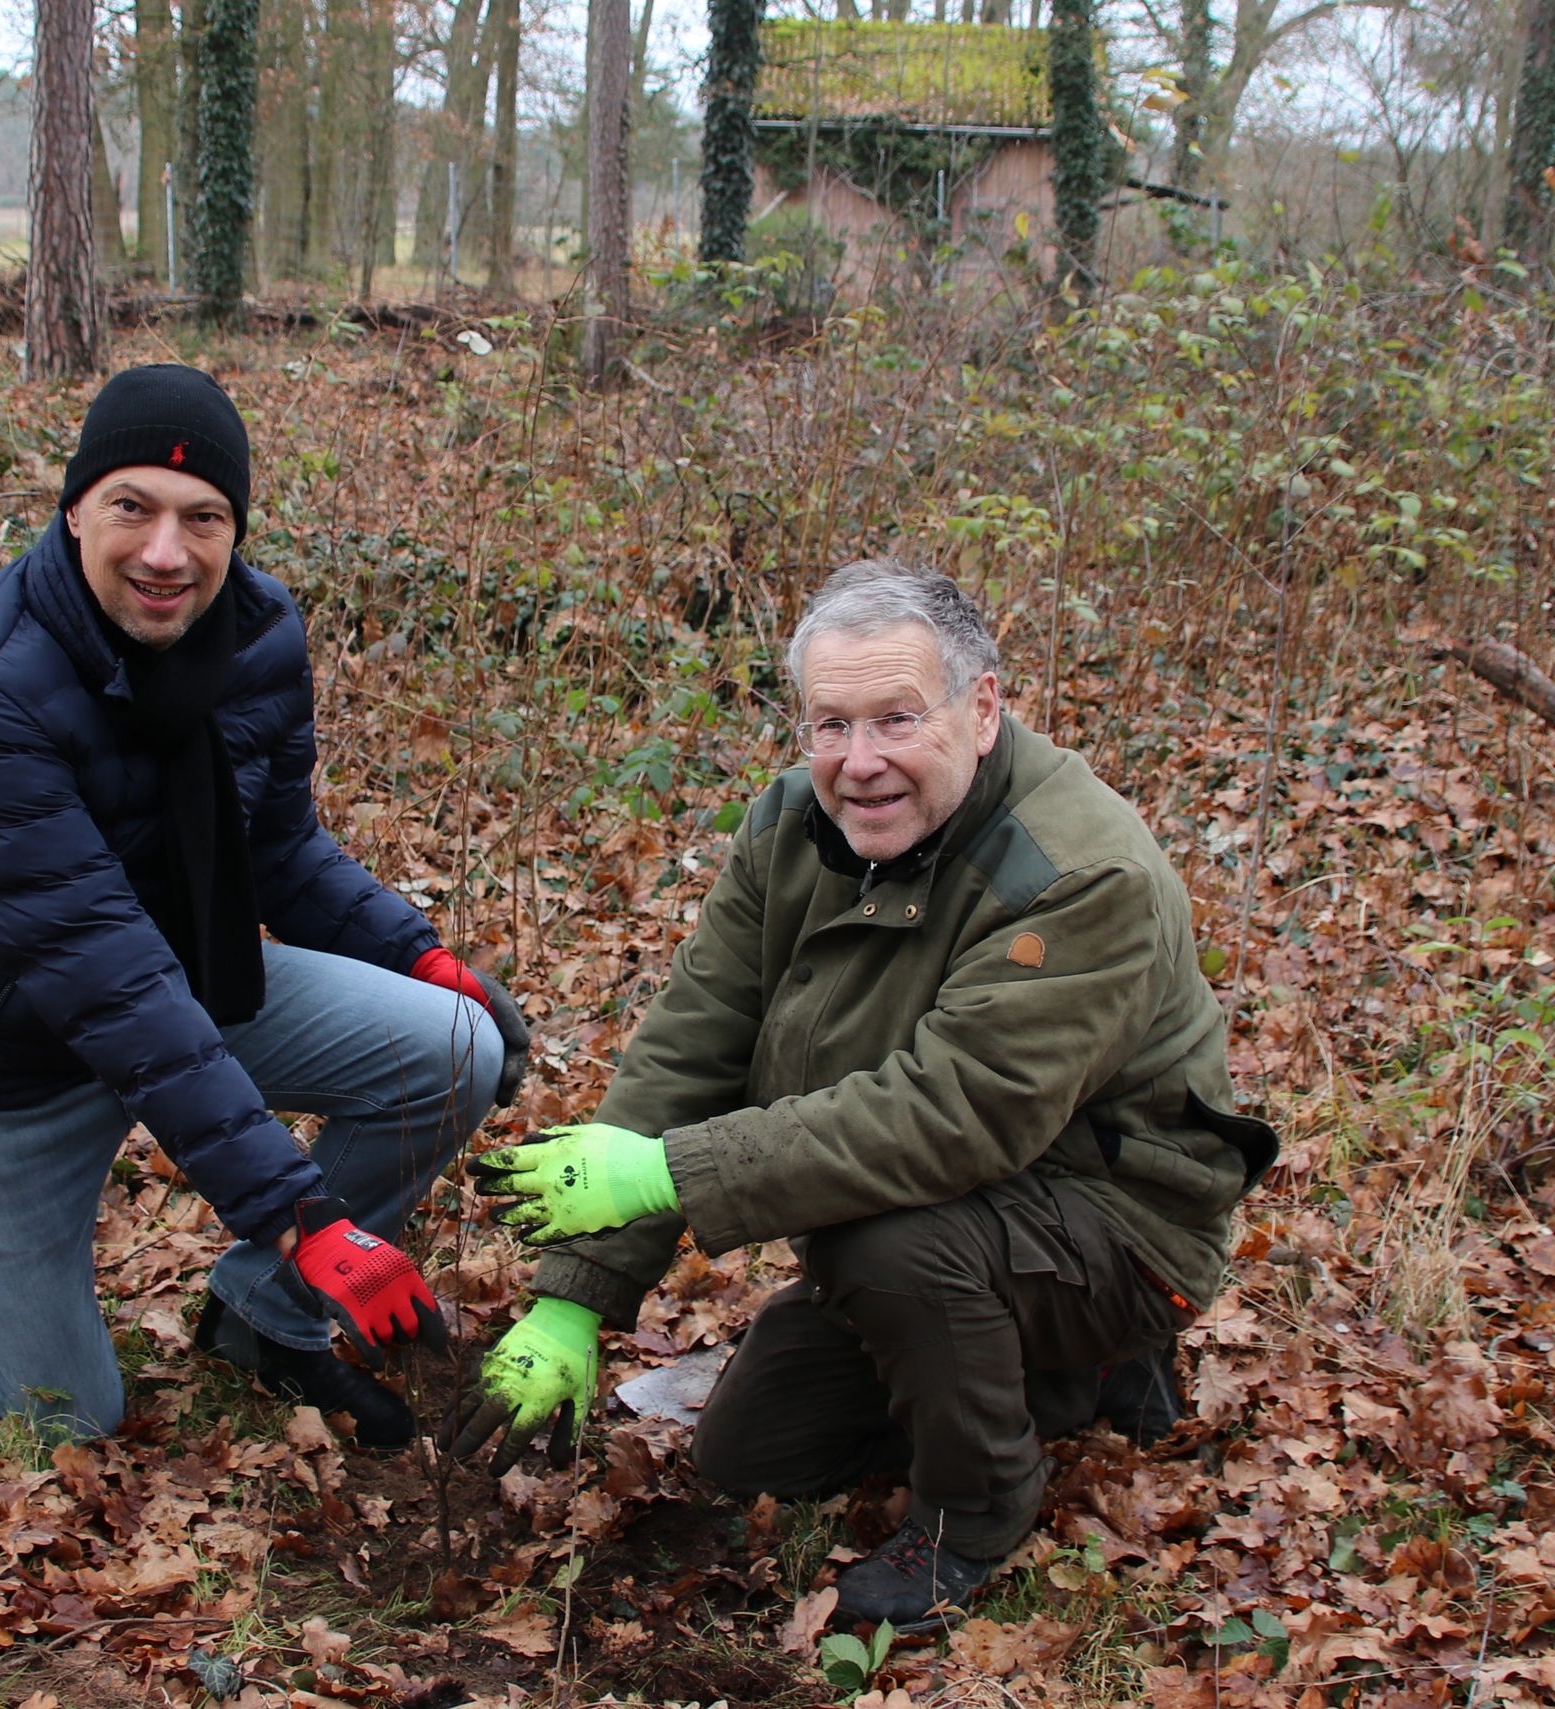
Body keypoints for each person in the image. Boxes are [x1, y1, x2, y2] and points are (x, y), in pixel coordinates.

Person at [453, 559, 1275, 1629]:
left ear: (982, 708)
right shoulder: (796, 824)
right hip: (955, 1209)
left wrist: (668, 1173)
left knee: (877, 1242)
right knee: (752, 1449)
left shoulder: (1076, 874)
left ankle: (977, 1508)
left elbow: (955, 1115)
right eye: (830, 724)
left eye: (896, 717)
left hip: (1119, 1222)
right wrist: (575, 1294)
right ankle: (1067, 1380)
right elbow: (696, 1041)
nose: (860, 761)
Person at [0, 364, 530, 1448]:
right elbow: (100, 972)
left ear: (234, 529)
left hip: (180, 983)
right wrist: (300, 1213)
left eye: (203, 518)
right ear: (74, 511)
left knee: (452, 1046)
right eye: (132, 507)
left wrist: (420, 956)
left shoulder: (256, 635)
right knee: (62, 1422)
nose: (167, 552)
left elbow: (280, 848)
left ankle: (260, 1318)